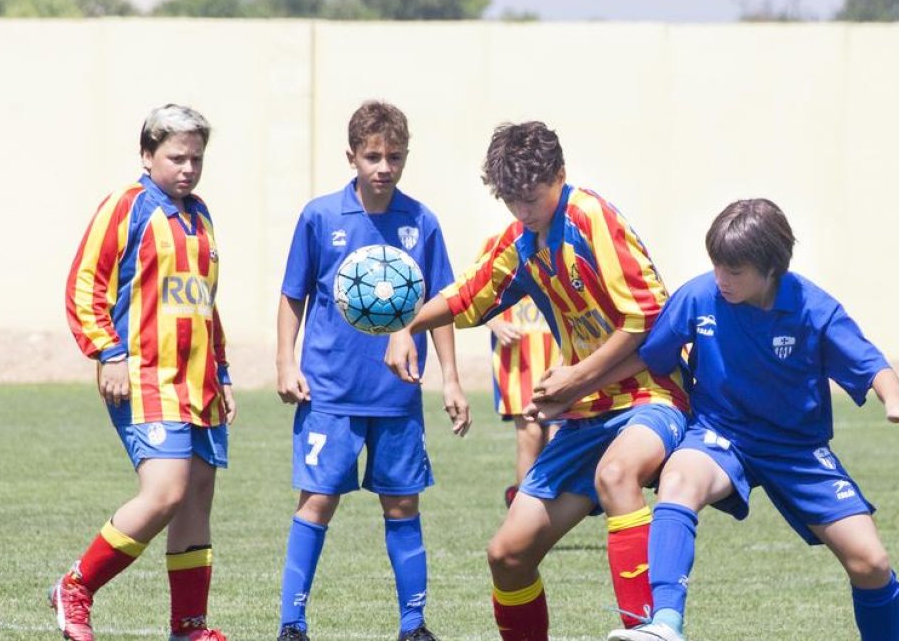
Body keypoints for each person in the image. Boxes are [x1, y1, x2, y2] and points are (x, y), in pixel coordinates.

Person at [549, 198, 899, 641]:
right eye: (716, 266)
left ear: (771, 269)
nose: (721, 279)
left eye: (734, 271)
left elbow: (871, 365)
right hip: (719, 435)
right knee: (678, 481)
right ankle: (664, 623)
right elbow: (648, 357)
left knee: (871, 563)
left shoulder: (813, 309)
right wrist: (574, 388)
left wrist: (895, 402)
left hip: (796, 450)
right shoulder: (699, 296)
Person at [385, 121, 690, 639]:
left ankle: (648, 631)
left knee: (617, 475)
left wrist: (577, 379)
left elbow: (650, 320)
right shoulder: (520, 242)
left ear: (560, 175)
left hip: (652, 393)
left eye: (531, 197)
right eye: (511, 201)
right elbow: (467, 295)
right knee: (507, 555)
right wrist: (406, 326)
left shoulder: (592, 218)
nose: (523, 211)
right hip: (587, 414)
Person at [274, 101, 470, 641]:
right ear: (352, 157)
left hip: (397, 394)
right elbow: (293, 295)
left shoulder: (421, 221)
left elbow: (443, 303)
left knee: (402, 504)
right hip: (330, 390)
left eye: (395, 157)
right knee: (317, 501)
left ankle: (414, 625)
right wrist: (286, 361)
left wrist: (451, 378)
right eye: (373, 157)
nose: (384, 167)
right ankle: (292, 623)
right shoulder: (321, 217)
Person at [55, 104, 234, 641]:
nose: (188, 168)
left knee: (196, 496)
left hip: (198, 382)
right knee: (165, 492)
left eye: (196, 159)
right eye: (176, 157)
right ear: (147, 154)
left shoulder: (200, 215)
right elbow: (85, 282)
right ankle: (75, 588)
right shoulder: (127, 205)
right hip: (145, 376)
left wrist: (222, 371)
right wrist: (107, 352)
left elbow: (203, 303)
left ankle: (189, 627)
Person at [477, 235, 561, 508]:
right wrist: (495, 324)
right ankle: (524, 507)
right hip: (518, 359)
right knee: (530, 433)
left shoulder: (565, 239)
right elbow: (474, 293)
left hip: (559, 355)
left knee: (559, 433)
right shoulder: (497, 244)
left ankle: (550, 506)